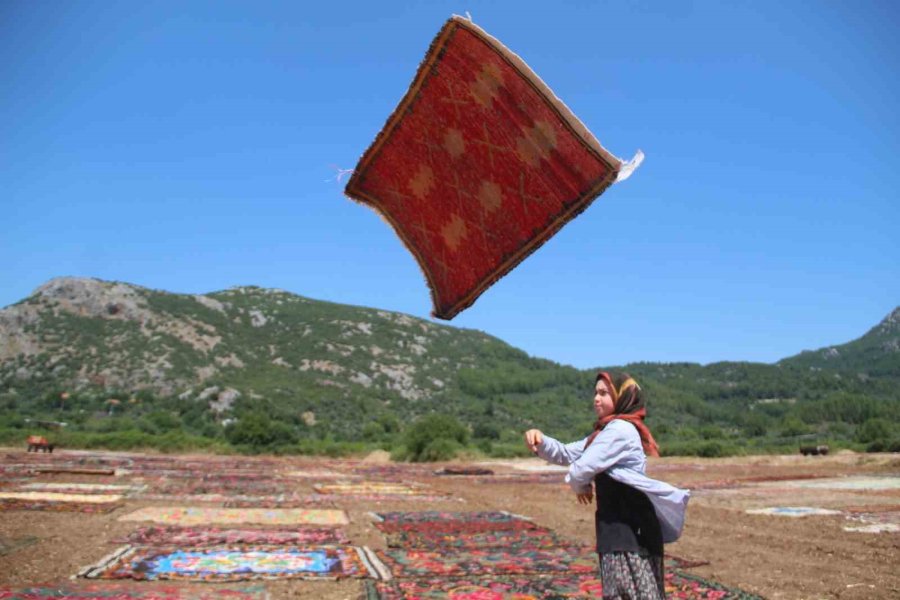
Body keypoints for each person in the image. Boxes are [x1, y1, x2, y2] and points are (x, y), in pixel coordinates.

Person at [524, 371, 689, 599]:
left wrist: (581, 485)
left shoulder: (620, 431)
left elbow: (580, 468)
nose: (596, 399)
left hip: (629, 531)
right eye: (595, 393)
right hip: (621, 529)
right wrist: (542, 440)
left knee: (630, 592)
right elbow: (568, 453)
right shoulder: (604, 433)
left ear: (622, 398)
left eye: (603, 393)